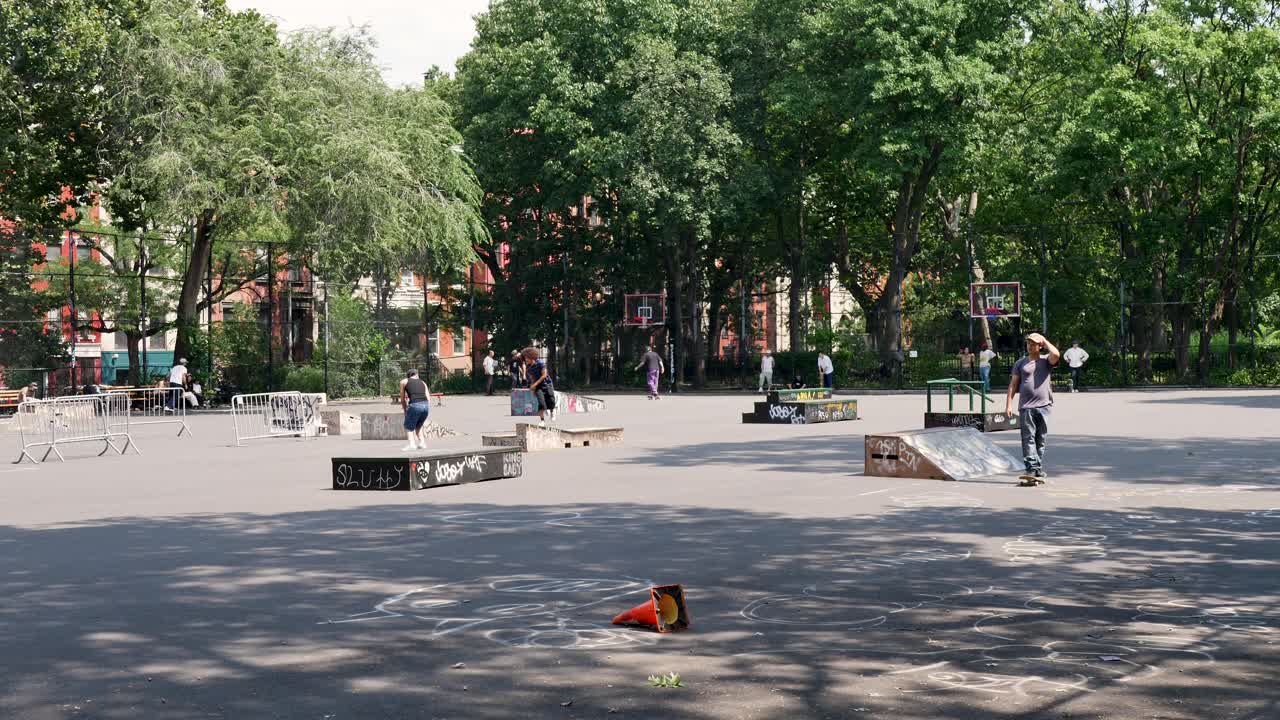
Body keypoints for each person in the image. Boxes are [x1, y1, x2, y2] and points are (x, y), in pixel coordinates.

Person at [1006, 333, 1060, 486]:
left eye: (1033, 344)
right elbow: (1013, 385)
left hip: (1044, 406)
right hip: (1026, 406)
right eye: (1028, 343)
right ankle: (1031, 468)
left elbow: (1056, 354)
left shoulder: (1046, 361)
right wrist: (1009, 404)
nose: (1030, 346)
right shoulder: (1020, 363)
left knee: (1040, 439)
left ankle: (1037, 469)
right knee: (1028, 438)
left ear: (1040, 346)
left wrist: (1045, 340)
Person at [399, 369, 431, 451]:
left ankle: (412, 444)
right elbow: (428, 398)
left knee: (408, 426)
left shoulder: (403, 381)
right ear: (416, 374)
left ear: (408, 375)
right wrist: (425, 407)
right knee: (418, 426)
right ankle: (422, 443)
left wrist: (405, 410)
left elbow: (402, 399)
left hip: (415, 405)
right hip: (426, 406)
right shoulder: (423, 382)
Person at [523, 347, 556, 426]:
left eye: (527, 357)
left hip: (547, 384)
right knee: (541, 403)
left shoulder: (540, 363)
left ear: (532, 357)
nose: (525, 359)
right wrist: (532, 386)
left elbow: (544, 375)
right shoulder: (528, 367)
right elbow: (532, 377)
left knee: (551, 400)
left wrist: (535, 384)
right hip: (538, 386)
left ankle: (552, 411)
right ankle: (542, 421)